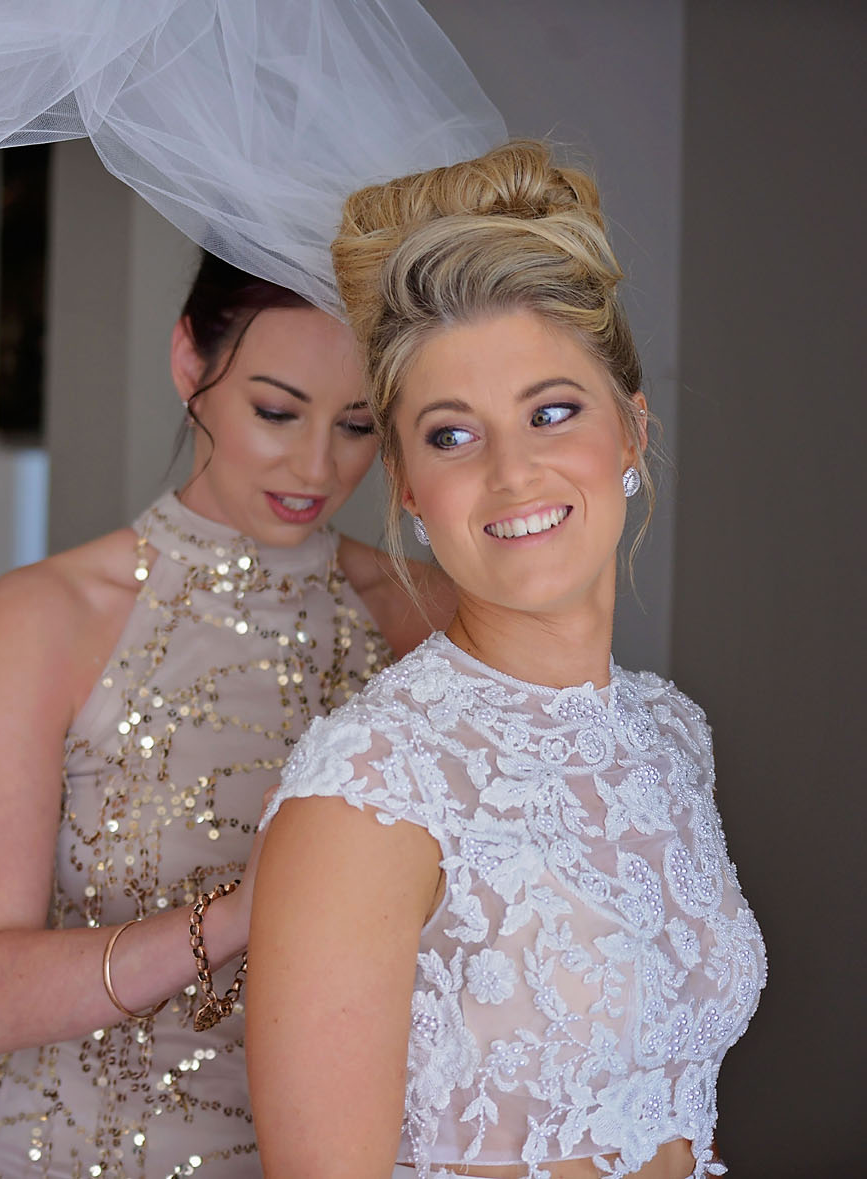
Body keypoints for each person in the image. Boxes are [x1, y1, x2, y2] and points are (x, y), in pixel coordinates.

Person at [244, 140, 765, 1179]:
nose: (512, 471)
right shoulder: (367, 790)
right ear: (406, 485)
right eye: (451, 435)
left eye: (551, 412)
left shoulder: (669, 735)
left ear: (630, 433)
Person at [0, 250, 455, 1177]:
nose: (316, 465)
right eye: (277, 411)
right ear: (189, 364)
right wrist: (240, 916)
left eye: (357, 425)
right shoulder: (45, 617)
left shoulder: (429, 620)